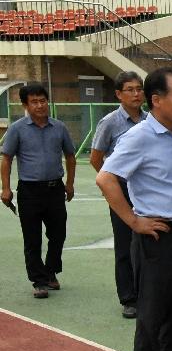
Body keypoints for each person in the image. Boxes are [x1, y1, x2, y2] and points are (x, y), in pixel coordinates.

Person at [96, 67, 172, 351]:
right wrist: (133, 221)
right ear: (157, 100)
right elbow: (106, 178)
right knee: (153, 315)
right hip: (159, 237)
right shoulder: (139, 137)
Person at [1, 83, 75, 299]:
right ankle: (39, 281)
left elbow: (70, 156)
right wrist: (5, 188)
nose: (40, 105)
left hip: (55, 189)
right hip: (29, 191)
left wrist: (70, 184)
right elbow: (6, 159)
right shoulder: (17, 129)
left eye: (43, 100)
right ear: (26, 105)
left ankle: (51, 271)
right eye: (34, 102)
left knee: (58, 234)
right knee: (32, 238)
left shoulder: (59, 127)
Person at [90, 71, 147, 318]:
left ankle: (146, 292)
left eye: (139, 89)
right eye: (130, 90)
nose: (136, 94)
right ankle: (129, 298)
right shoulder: (110, 122)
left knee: (146, 243)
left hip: (144, 189)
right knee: (124, 244)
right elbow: (95, 158)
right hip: (121, 189)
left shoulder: (149, 120)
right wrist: (110, 185)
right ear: (118, 94)